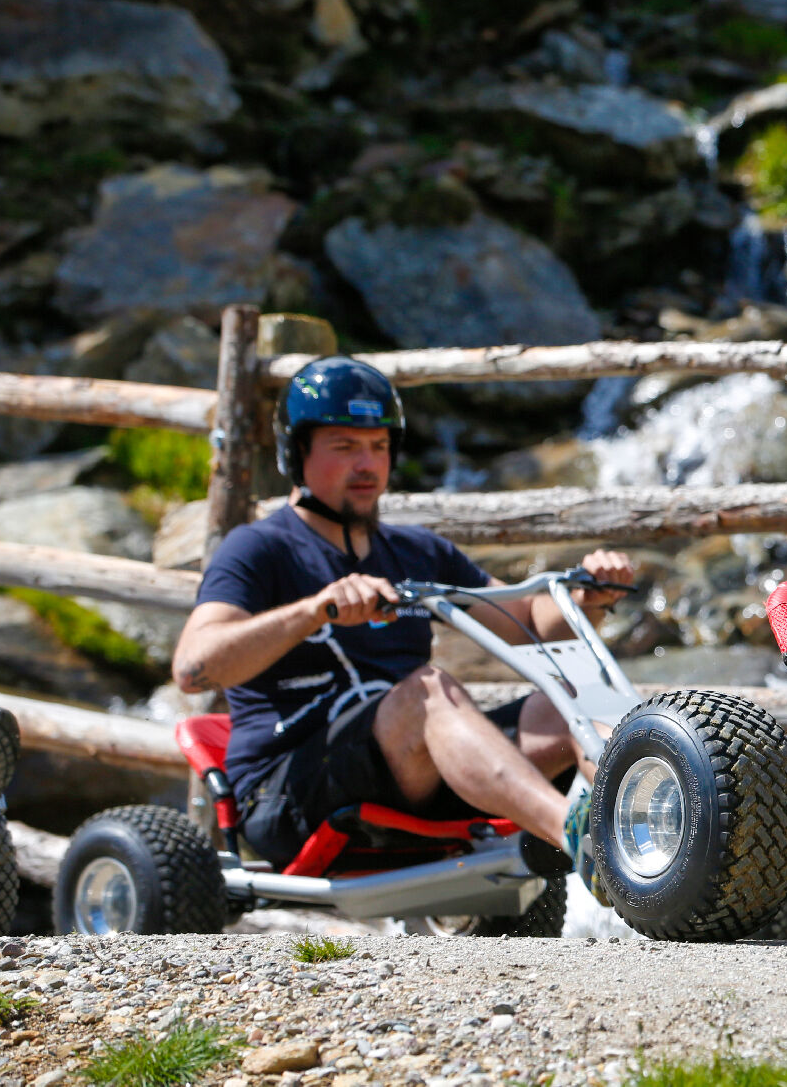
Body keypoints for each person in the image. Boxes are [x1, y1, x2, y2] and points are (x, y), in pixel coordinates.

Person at [171, 356, 628, 895]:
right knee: (425, 692)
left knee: (572, 691)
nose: (367, 464)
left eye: (379, 446)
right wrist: (313, 611)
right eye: (345, 446)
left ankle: (646, 831)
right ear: (296, 452)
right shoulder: (257, 548)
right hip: (287, 794)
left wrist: (587, 599)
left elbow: (528, 624)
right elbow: (193, 669)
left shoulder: (416, 551)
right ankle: (580, 836)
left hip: (413, 775)